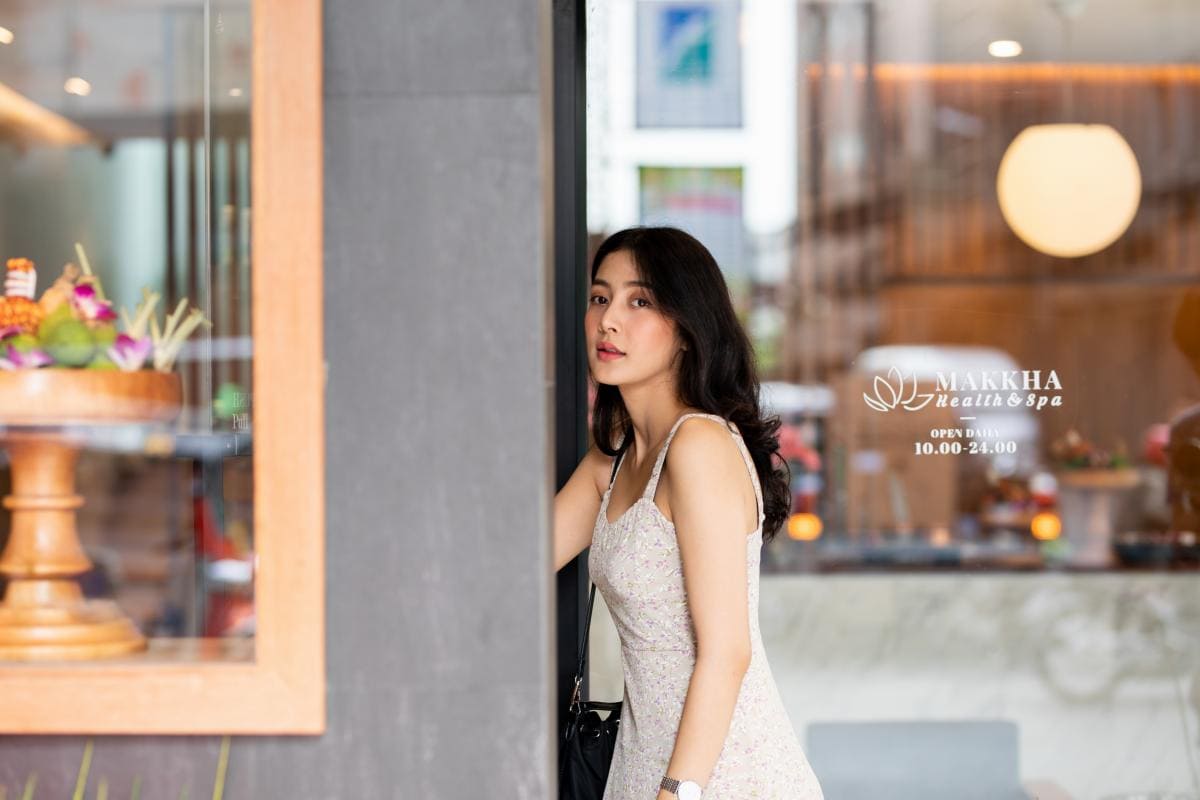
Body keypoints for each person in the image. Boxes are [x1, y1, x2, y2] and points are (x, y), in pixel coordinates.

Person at [554, 227, 825, 800]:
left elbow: (727, 650)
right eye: (600, 298)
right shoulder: (617, 456)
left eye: (640, 302)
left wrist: (678, 791)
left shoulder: (698, 445)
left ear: (686, 330)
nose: (608, 320)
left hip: (721, 775)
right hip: (641, 767)